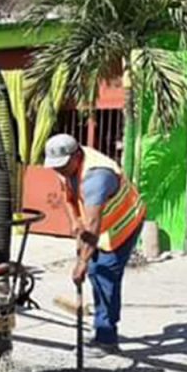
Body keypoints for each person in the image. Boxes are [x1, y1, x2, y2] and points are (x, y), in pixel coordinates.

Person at [43, 133, 146, 357]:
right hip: (100, 223)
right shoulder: (66, 167)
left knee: (104, 272)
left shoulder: (97, 177)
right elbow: (68, 196)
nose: (59, 171)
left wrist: (81, 262)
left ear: (76, 156)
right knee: (94, 270)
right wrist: (74, 221)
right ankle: (102, 323)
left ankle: (106, 339)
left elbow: (92, 228)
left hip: (124, 222)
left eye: (62, 166)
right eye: (56, 167)